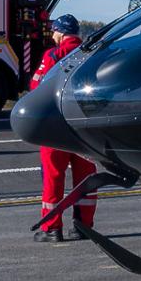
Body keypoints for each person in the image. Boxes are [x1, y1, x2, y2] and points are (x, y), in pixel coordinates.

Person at [34, 15, 92, 243]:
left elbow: (36, 86)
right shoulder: (89, 54)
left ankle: (51, 228)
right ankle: (84, 226)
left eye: (54, 31)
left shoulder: (52, 55)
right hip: (84, 127)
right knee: (85, 177)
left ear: (60, 32)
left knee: (53, 177)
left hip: (55, 126)